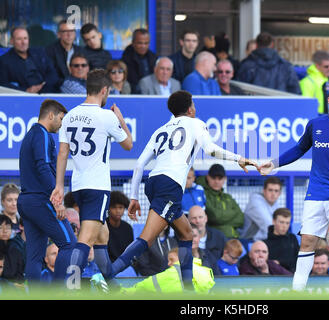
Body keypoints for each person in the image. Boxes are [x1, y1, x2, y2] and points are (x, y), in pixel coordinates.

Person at [106, 90, 256, 290]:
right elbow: (210, 149)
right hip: (170, 185)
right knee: (146, 239)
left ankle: (188, 289)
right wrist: (238, 158)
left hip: (153, 182)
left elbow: (139, 165)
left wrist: (134, 197)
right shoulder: (196, 123)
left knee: (186, 235)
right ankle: (105, 277)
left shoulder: (160, 130)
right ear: (190, 108)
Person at [259, 85, 329, 292]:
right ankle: (297, 291)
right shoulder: (316, 124)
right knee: (307, 241)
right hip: (315, 193)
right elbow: (300, 148)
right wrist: (274, 163)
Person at [50, 69, 133, 289]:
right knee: (85, 240)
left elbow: (62, 154)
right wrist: (121, 121)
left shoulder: (69, 116)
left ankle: (113, 287)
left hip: (78, 185)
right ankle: (72, 288)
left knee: (101, 237)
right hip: (98, 187)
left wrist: (59, 185)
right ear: (104, 90)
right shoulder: (106, 116)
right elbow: (129, 145)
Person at [16, 99, 77, 287]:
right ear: (51, 115)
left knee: (34, 257)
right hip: (40, 200)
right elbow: (43, 167)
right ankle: (60, 293)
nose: (62, 124)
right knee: (70, 245)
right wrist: (58, 200)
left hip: (27, 201)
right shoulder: (42, 135)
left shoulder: (30, 135)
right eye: (60, 119)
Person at [0, 27, 58, 93]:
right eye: (19, 39)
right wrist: (26, 91)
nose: (23, 42)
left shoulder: (40, 53)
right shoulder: (4, 60)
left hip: (47, 93)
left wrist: (43, 85)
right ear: (11, 41)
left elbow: (52, 73)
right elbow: (3, 84)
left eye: (25, 38)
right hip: (23, 97)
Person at [196, 164, 245, 239]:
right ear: (208, 177)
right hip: (215, 239)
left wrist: (221, 221)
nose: (216, 181)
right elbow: (215, 217)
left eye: (220, 178)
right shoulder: (202, 193)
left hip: (235, 238)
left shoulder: (227, 197)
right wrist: (232, 215)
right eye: (213, 178)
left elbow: (241, 219)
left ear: (224, 179)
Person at [241, 176, 283, 241]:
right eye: (270, 190)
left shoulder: (275, 205)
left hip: (265, 240)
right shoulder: (255, 202)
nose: (273, 194)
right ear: (264, 191)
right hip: (248, 241)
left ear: (280, 193)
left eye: (276, 191)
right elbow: (269, 226)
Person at [45, 20, 83, 88]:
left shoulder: (81, 51)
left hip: (80, 86)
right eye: (65, 31)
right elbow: (52, 77)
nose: (69, 35)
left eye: (72, 31)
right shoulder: (49, 51)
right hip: (59, 89)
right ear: (58, 34)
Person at [299, 50, 329, 115]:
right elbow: (305, 107)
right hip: (315, 118)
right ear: (317, 66)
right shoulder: (307, 82)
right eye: (326, 66)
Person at [121, 28, 157, 94]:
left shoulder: (153, 58)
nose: (143, 46)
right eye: (140, 43)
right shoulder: (126, 59)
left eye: (146, 43)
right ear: (133, 42)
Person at [263, 208, 300, 273]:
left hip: (292, 276)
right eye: (281, 222)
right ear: (273, 221)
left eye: (287, 223)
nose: (284, 226)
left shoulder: (292, 239)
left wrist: (279, 262)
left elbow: (298, 260)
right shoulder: (265, 243)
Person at [106, 191, 134, 263]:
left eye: (120, 207)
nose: (118, 211)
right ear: (108, 209)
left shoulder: (128, 228)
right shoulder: (103, 227)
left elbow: (130, 252)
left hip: (124, 265)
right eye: (114, 207)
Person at [0, 215, 24, 282]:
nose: (4, 231)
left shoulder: (15, 248)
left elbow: (20, 273)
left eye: (8, 228)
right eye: (0, 228)